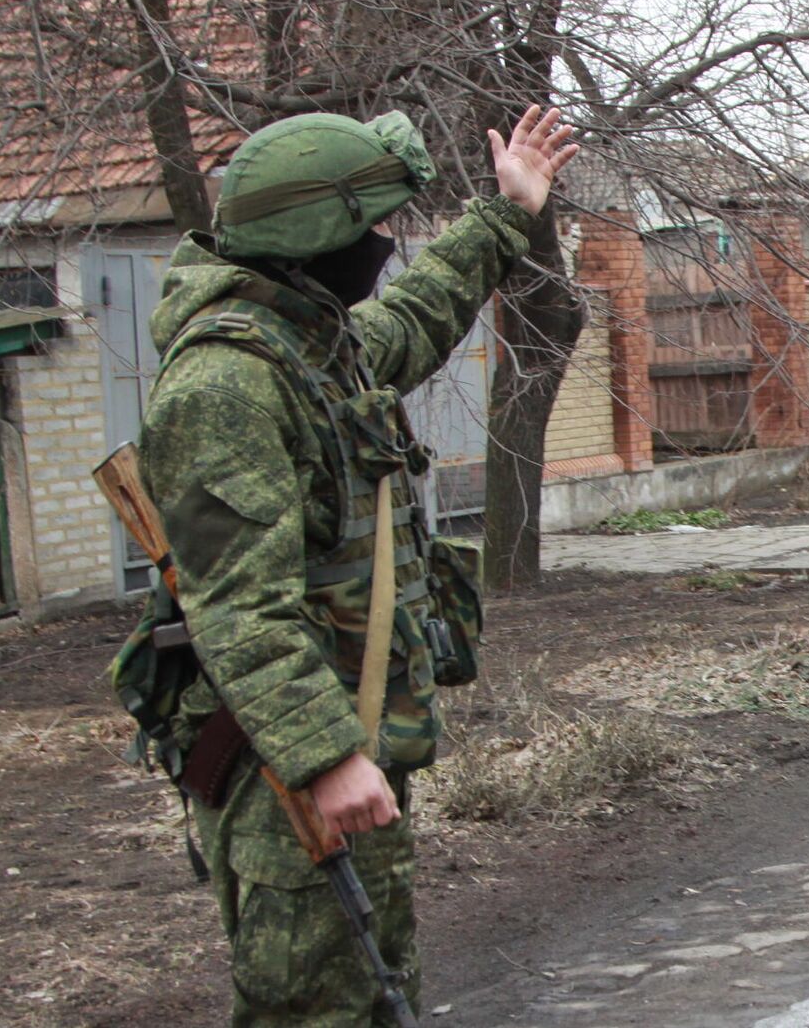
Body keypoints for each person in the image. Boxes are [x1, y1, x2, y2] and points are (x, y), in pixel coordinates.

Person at [137, 106, 579, 1025]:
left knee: (370, 994)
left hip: (340, 734)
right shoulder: (227, 384)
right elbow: (239, 609)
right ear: (314, 237)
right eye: (372, 225)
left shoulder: (307, 345)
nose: (384, 243)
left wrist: (508, 212)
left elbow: (412, 319)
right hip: (281, 768)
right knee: (317, 1008)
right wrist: (326, 758)